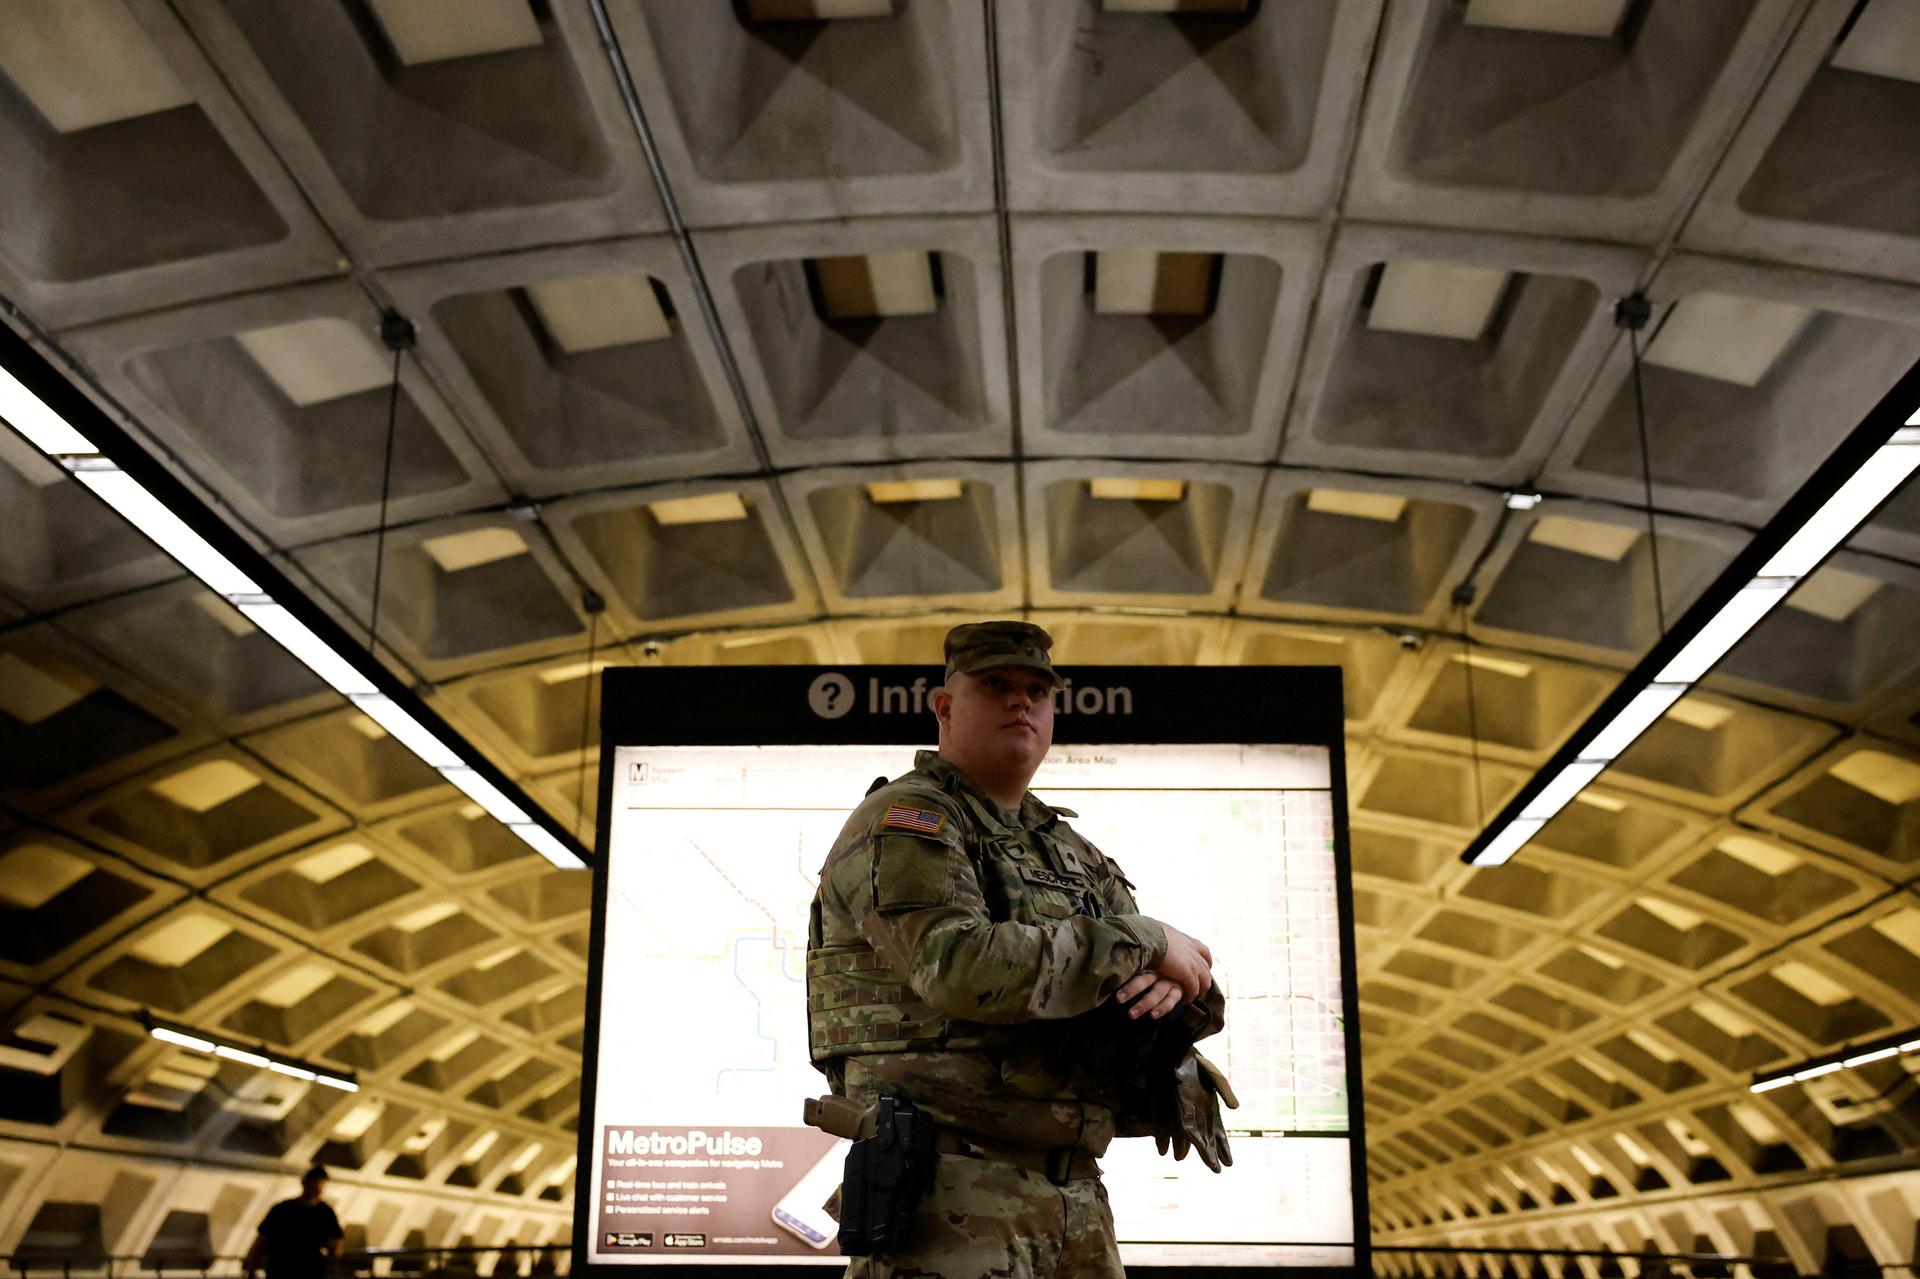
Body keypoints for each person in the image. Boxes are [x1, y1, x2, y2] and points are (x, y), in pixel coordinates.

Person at [805, 621, 1235, 1279]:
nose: (1020, 701)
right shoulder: (909, 821)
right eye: (996, 685)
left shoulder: (1070, 850)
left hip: (1075, 1198)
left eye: (1038, 690)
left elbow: (1180, 980)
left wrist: (1172, 980)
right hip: (950, 1194)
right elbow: (958, 966)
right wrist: (1146, 941)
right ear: (945, 708)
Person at [243, 1165, 344, 1279]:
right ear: (304, 1183)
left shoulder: (326, 1213)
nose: (316, 1189)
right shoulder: (282, 1209)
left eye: (319, 1186)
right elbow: (261, 1241)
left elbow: (336, 1245)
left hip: (308, 1271)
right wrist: (251, 1270)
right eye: (314, 1185)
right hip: (281, 1269)